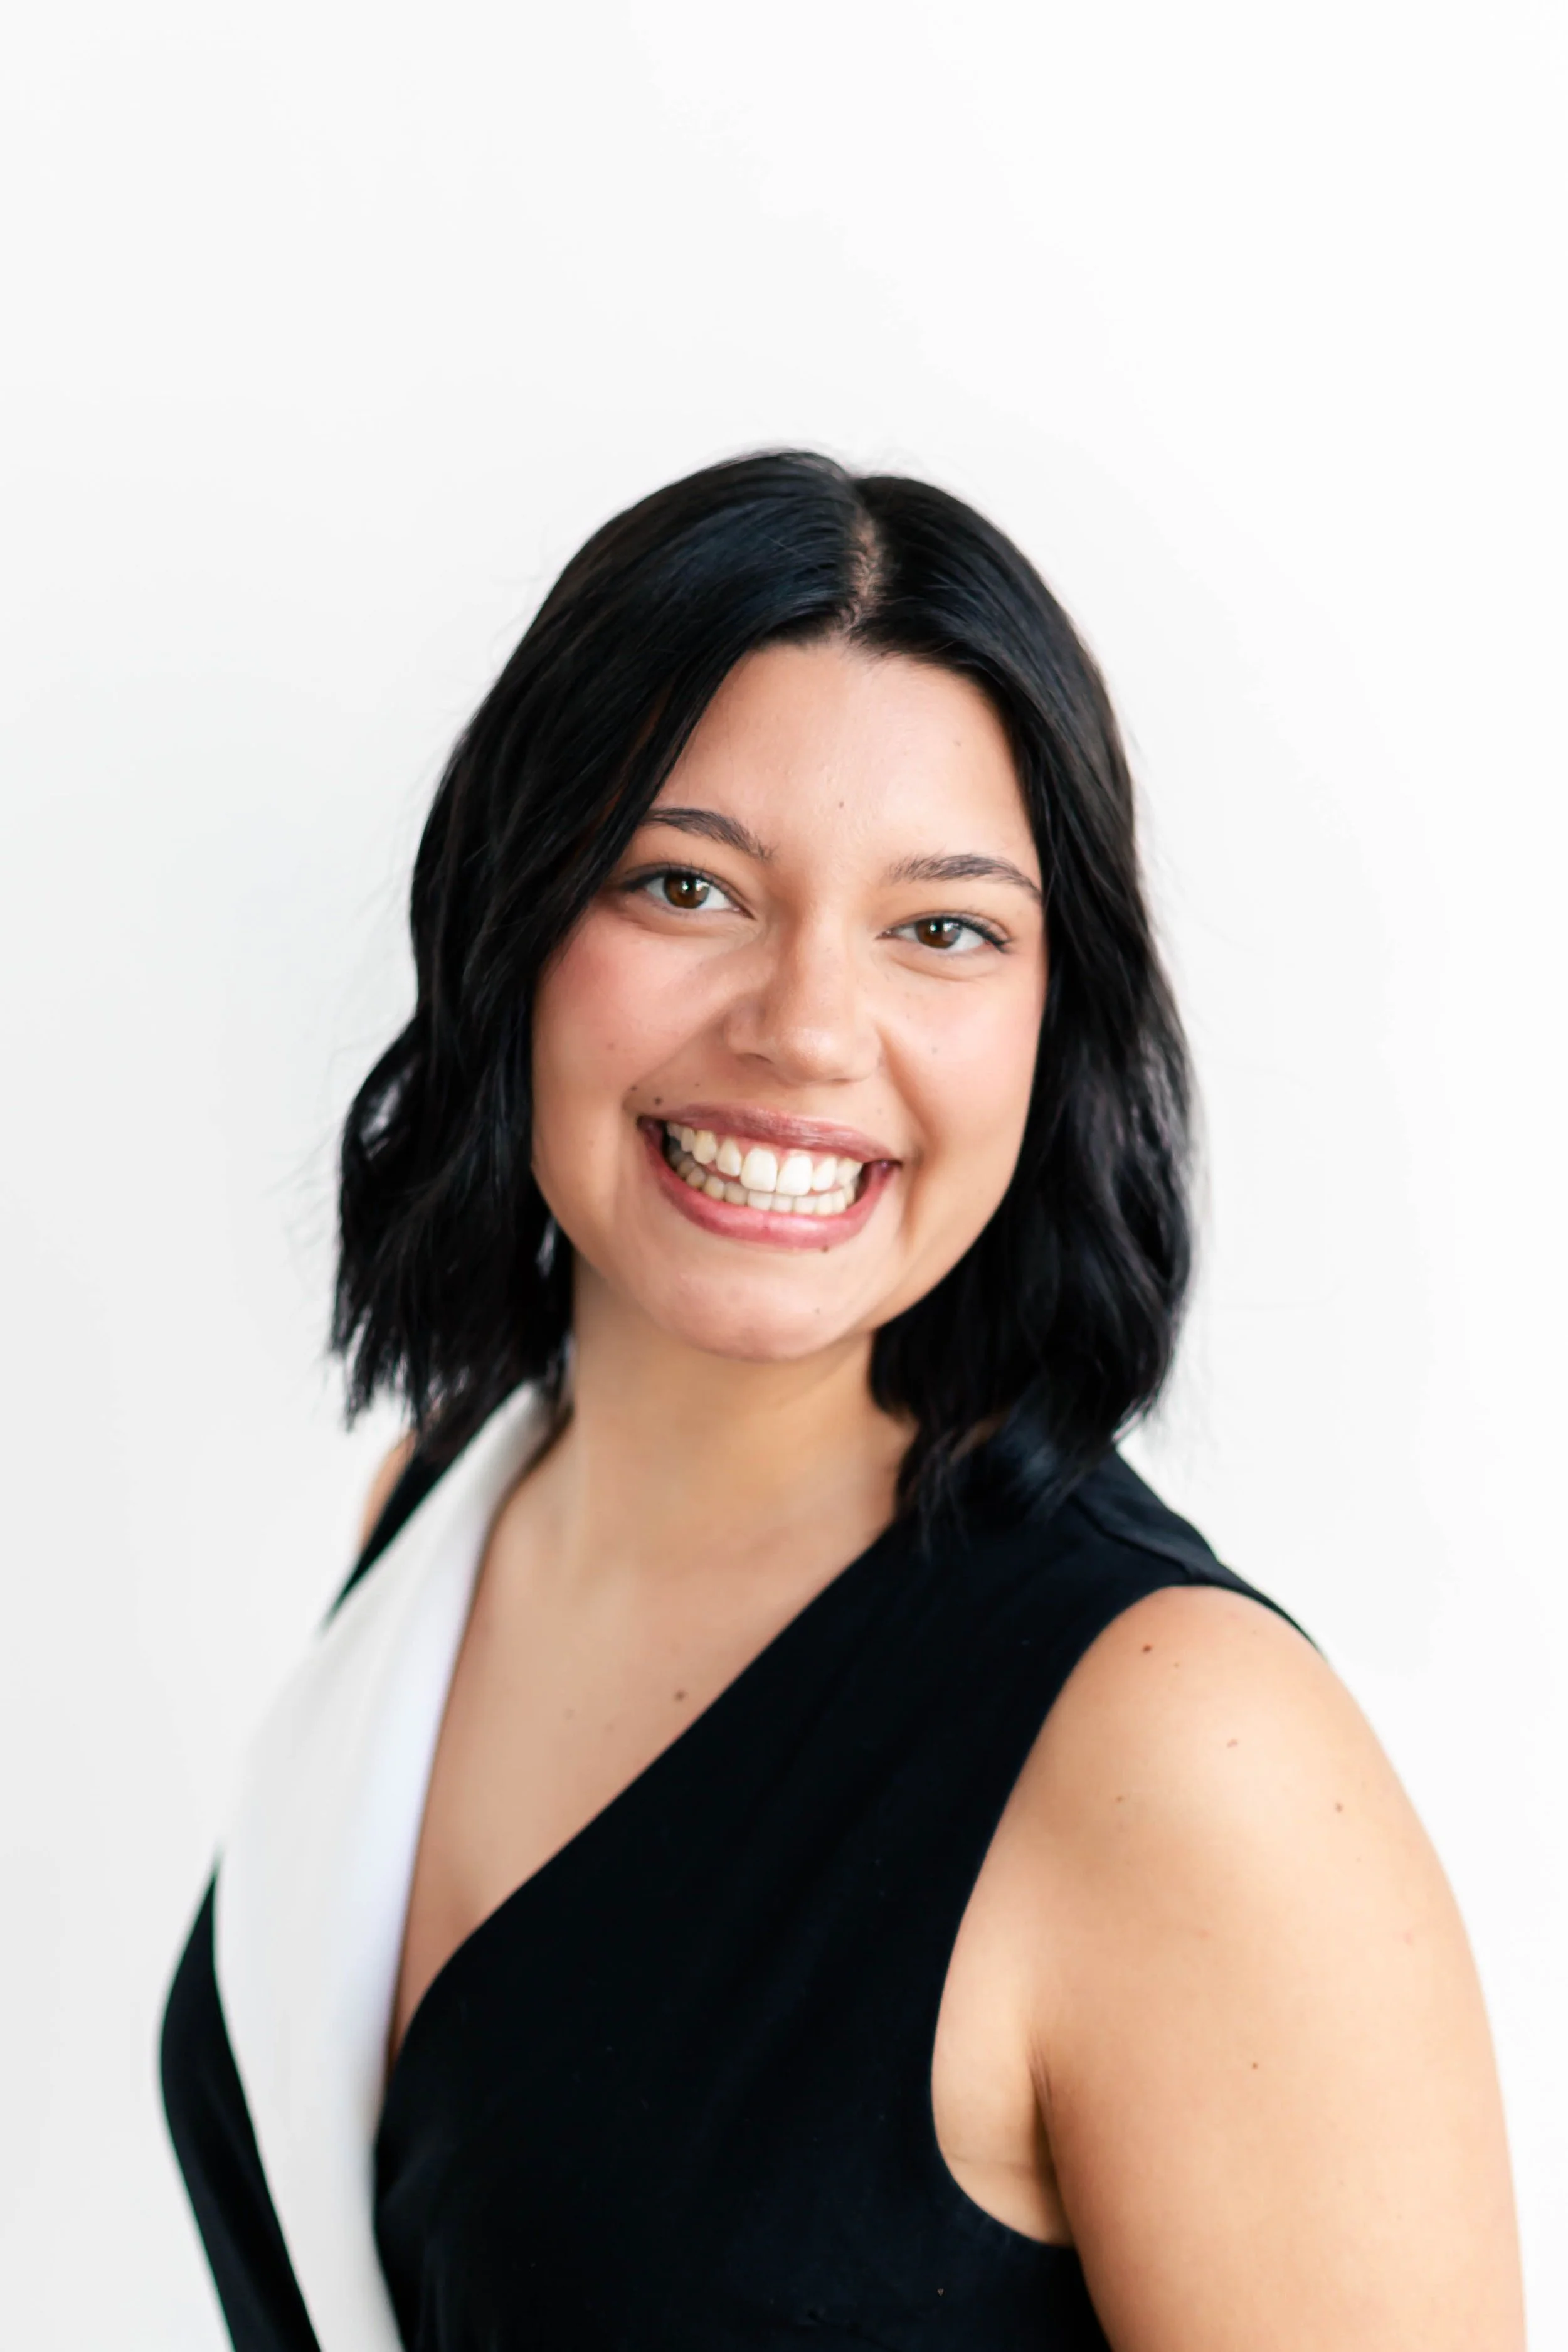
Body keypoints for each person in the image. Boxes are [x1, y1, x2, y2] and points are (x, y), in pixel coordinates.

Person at [161, 452, 1524, 2351]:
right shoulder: (436, 1508)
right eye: (685, 882)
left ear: (1058, 1031)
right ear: (516, 925)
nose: (804, 1023)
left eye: (943, 927)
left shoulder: (1176, 1753)